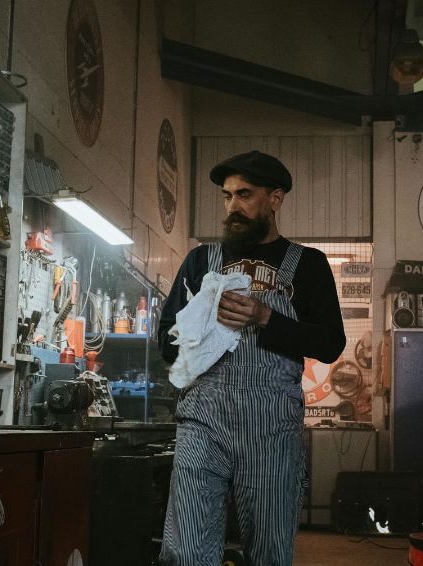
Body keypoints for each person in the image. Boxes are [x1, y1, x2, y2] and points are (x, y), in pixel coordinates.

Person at [157, 150, 346, 565]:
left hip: (271, 426)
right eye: (227, 197)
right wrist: (202, 327)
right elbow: (165, 343)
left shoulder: (307, 265)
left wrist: (265, 316)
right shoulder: (199, 262)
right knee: (185, 550)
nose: (233, 207)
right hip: (202, 421)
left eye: (245, 194)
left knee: (269, 551)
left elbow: (331, 343)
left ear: (275, 198)